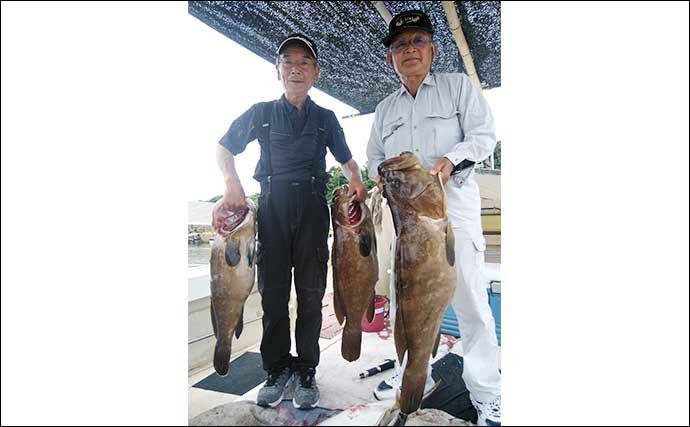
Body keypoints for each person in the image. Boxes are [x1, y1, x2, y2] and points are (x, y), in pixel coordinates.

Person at [215, 33, 367, 410]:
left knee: (312, 294)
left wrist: (356, 179)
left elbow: (347, 159)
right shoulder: (260, 113)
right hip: (273, 205)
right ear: (277, 70)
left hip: (314, 207)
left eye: (304, 63)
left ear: (316, 73)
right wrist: (232, 184)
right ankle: (276, 369)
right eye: (288, 62)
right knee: (274, 294)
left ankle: (306, 371)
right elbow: (223, 147)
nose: (296, 69)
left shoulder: (327, 118)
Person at [365, 10, 501, 426]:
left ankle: (488, 394)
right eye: (400, 44)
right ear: (391, 57)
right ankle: (413, 375)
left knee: (472, 304)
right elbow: (373, 160)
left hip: (451, 215)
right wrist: (380, 177)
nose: (409, 49)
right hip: (404, 225)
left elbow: (484, 135)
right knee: (406, 304)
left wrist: (450, 161)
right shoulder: (385, 108)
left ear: (432, 49)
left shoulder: (458, 87)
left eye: (417, 41)